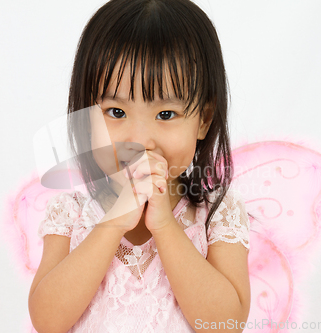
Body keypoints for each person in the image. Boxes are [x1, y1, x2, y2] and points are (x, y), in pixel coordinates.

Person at [28, 0, 251, 331]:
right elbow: (47, 320)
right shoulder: (73, 212)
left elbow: (226, 324)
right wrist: (113, 221)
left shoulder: (215, 213)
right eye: (116, 112)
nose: (140, 140)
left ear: (203, 120)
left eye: (166, 114)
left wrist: (164, 226)